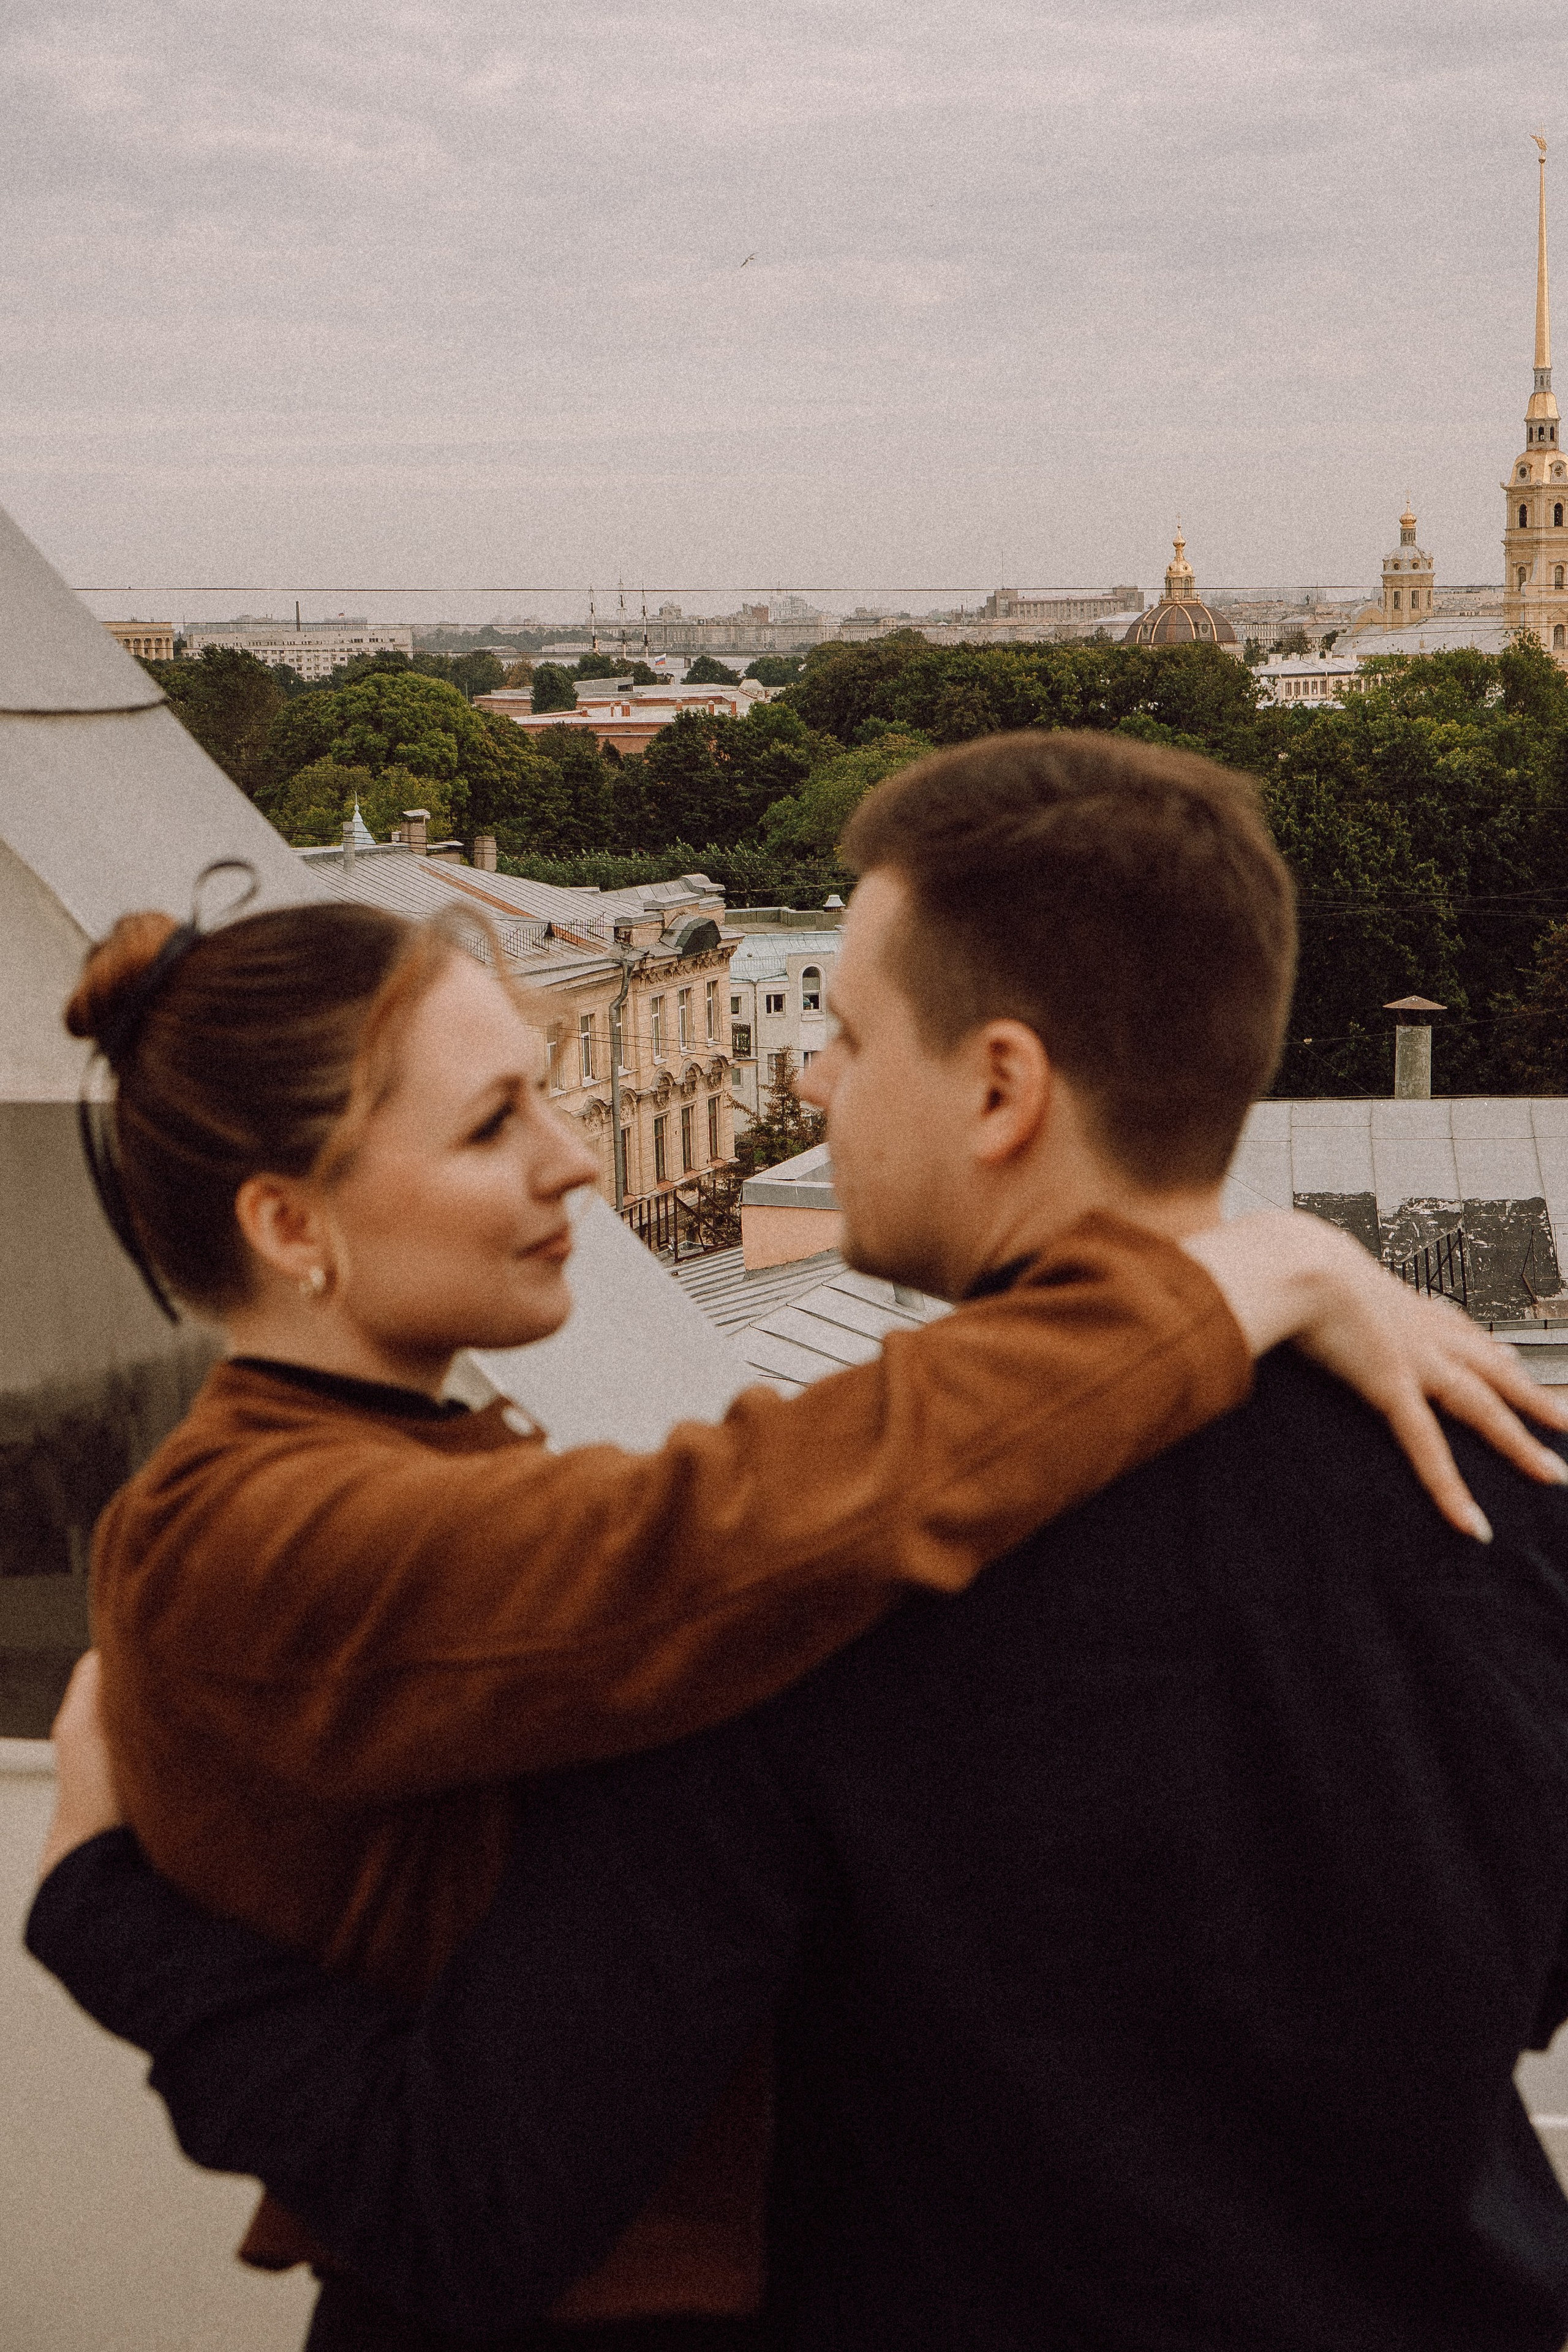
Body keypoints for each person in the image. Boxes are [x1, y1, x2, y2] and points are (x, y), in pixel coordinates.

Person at [30, 732, 1568, 2352]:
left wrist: (102, 1908)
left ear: (998, 1089)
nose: (811, 1083)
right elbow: (1511, 1978)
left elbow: (480, 2191)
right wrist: (1265, 1264)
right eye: (497, 1123)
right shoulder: (1513, 1498)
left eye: (839, 1031)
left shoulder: (788, 1619)